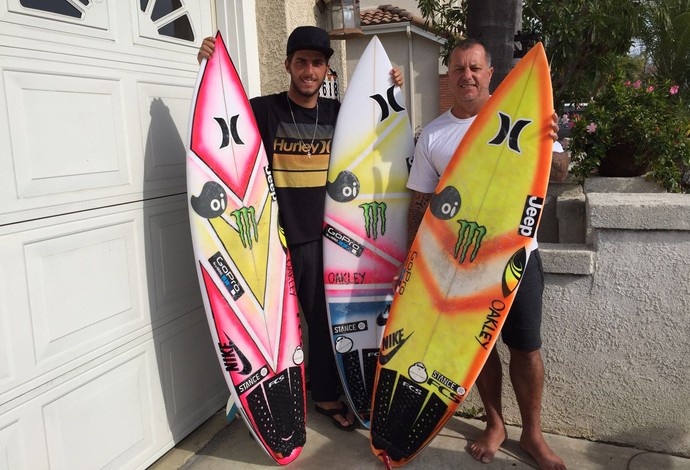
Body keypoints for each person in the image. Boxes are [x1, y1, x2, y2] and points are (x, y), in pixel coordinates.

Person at [198, 26, 403, 431]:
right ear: (288, 65)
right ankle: (265, 394)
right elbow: (224, 114)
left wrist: (390, 84)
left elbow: (380, 133)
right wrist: (208, 68)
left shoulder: (339, 115)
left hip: (327, 240)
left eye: (317, 63)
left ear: (327, 70)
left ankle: (325, 395)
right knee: (272, 322)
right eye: (301, 62)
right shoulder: (265, 110)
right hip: (275, 242)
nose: (309, 70)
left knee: (325, 322)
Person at [405, 38, 568, 469]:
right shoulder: (433, 135)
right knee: (479, 347)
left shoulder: (522, 118)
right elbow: (420, 202)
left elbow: (561, 171)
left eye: (475, 67)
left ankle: (532, 435)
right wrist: (412, 265)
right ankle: (495, 423)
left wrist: (554, 136)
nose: (467, 76)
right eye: (458, 68)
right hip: (460, 263)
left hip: (517, 255)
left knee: (527, 347)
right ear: (449, 75)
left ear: (489, 73)